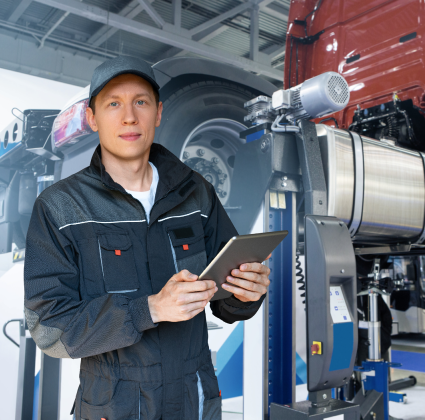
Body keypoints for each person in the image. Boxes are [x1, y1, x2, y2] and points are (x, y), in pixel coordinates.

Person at [23, 56, 270, 420]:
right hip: (114, 406)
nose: (129, 117)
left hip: (195, 401)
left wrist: (246, 292)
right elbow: (49, 329)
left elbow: (226, 300)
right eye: (113, 104)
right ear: (92, 118)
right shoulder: (60, 207)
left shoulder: (196, 192)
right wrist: (149, 309)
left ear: (158, 112)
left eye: (141, 101)